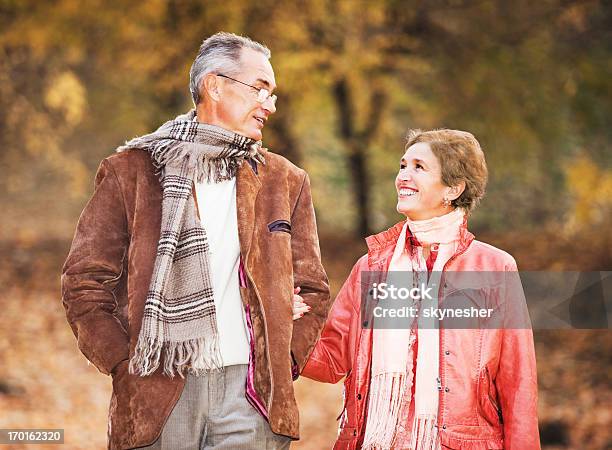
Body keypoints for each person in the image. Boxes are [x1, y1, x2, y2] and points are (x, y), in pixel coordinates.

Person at [61, 32, 330, 450]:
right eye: (260, 88)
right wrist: (123, 363)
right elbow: (84, 280)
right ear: (215, 85)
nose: (271, 104)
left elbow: (312, 289)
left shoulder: (285, 180)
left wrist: (285, 358)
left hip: (252, 396)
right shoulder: (131, 172)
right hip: (158, 392)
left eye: (273, 93)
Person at [301, 129, 540, 449]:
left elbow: (517, 384)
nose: (403, 176)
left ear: (453, 188)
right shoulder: (372, 268)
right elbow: (330, 360)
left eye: (419, 167)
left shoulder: (494, 269)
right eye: (402, 166)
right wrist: (283, 321)